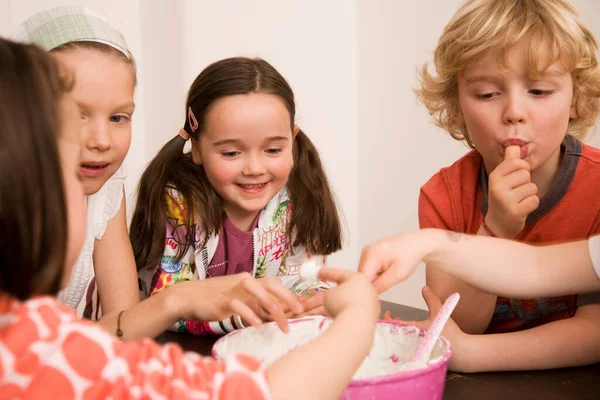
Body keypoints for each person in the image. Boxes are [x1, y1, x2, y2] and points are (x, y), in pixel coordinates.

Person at [0, 37, 381, 399]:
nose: (97, 195)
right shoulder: (47, 352)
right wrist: (359, 316)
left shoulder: (37, 333)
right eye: (73, 171)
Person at [410, 0, 600, 370]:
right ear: (457, 105)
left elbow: (595, 330)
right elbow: (461, 324)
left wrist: (472, 356)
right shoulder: (442, 196)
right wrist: (494, 229)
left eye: (540, 91)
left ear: (575, 98)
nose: (514, 112)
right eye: (486, 94)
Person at [131, 57, 342, 335]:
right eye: (231, 153)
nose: (255, 169)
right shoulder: (178, 203)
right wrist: (243, 317)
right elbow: (166, 305)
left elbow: (301, 275)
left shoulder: (296, 192)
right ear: (196, 147)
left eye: (273, 150)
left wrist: (315, 300)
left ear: (292, 138)